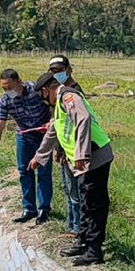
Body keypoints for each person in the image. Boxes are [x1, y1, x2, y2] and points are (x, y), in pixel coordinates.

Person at [28, 71, 114, 266]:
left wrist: (82, 154)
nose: (43, 101)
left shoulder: (68, 96)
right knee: (85, 201)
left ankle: (94, 250)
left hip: (94, 156)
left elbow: (83, 120)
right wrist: (39, 157)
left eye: (41, 97)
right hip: (85, 159)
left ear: (44, 90)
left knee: (94, 204)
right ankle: (83, 241)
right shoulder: (59, 103)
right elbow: (54, 131)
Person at [0, 68, 53, 224]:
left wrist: (51, 122)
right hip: (24, 135)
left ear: (19, 82)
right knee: (24, 171)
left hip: (44, 134)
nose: (7, 91)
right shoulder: (5, 100)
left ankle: (44, 209)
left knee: (43, 171)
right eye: (4, 88)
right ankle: (29, 209)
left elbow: (52, 104)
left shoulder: (36, 90)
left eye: (10, 87)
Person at [48, 55, 83, 238]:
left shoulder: (72, 92)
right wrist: (57, 149)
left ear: (69, 69)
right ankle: (71, 225)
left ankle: (76, 229)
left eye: (59, 70)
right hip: (64, 149)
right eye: (53, 71)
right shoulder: (60, 91)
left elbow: (75, 125)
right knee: (67, 189)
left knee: (74, 191)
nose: (56, 74)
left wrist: (73, 152)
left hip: (73, 151)